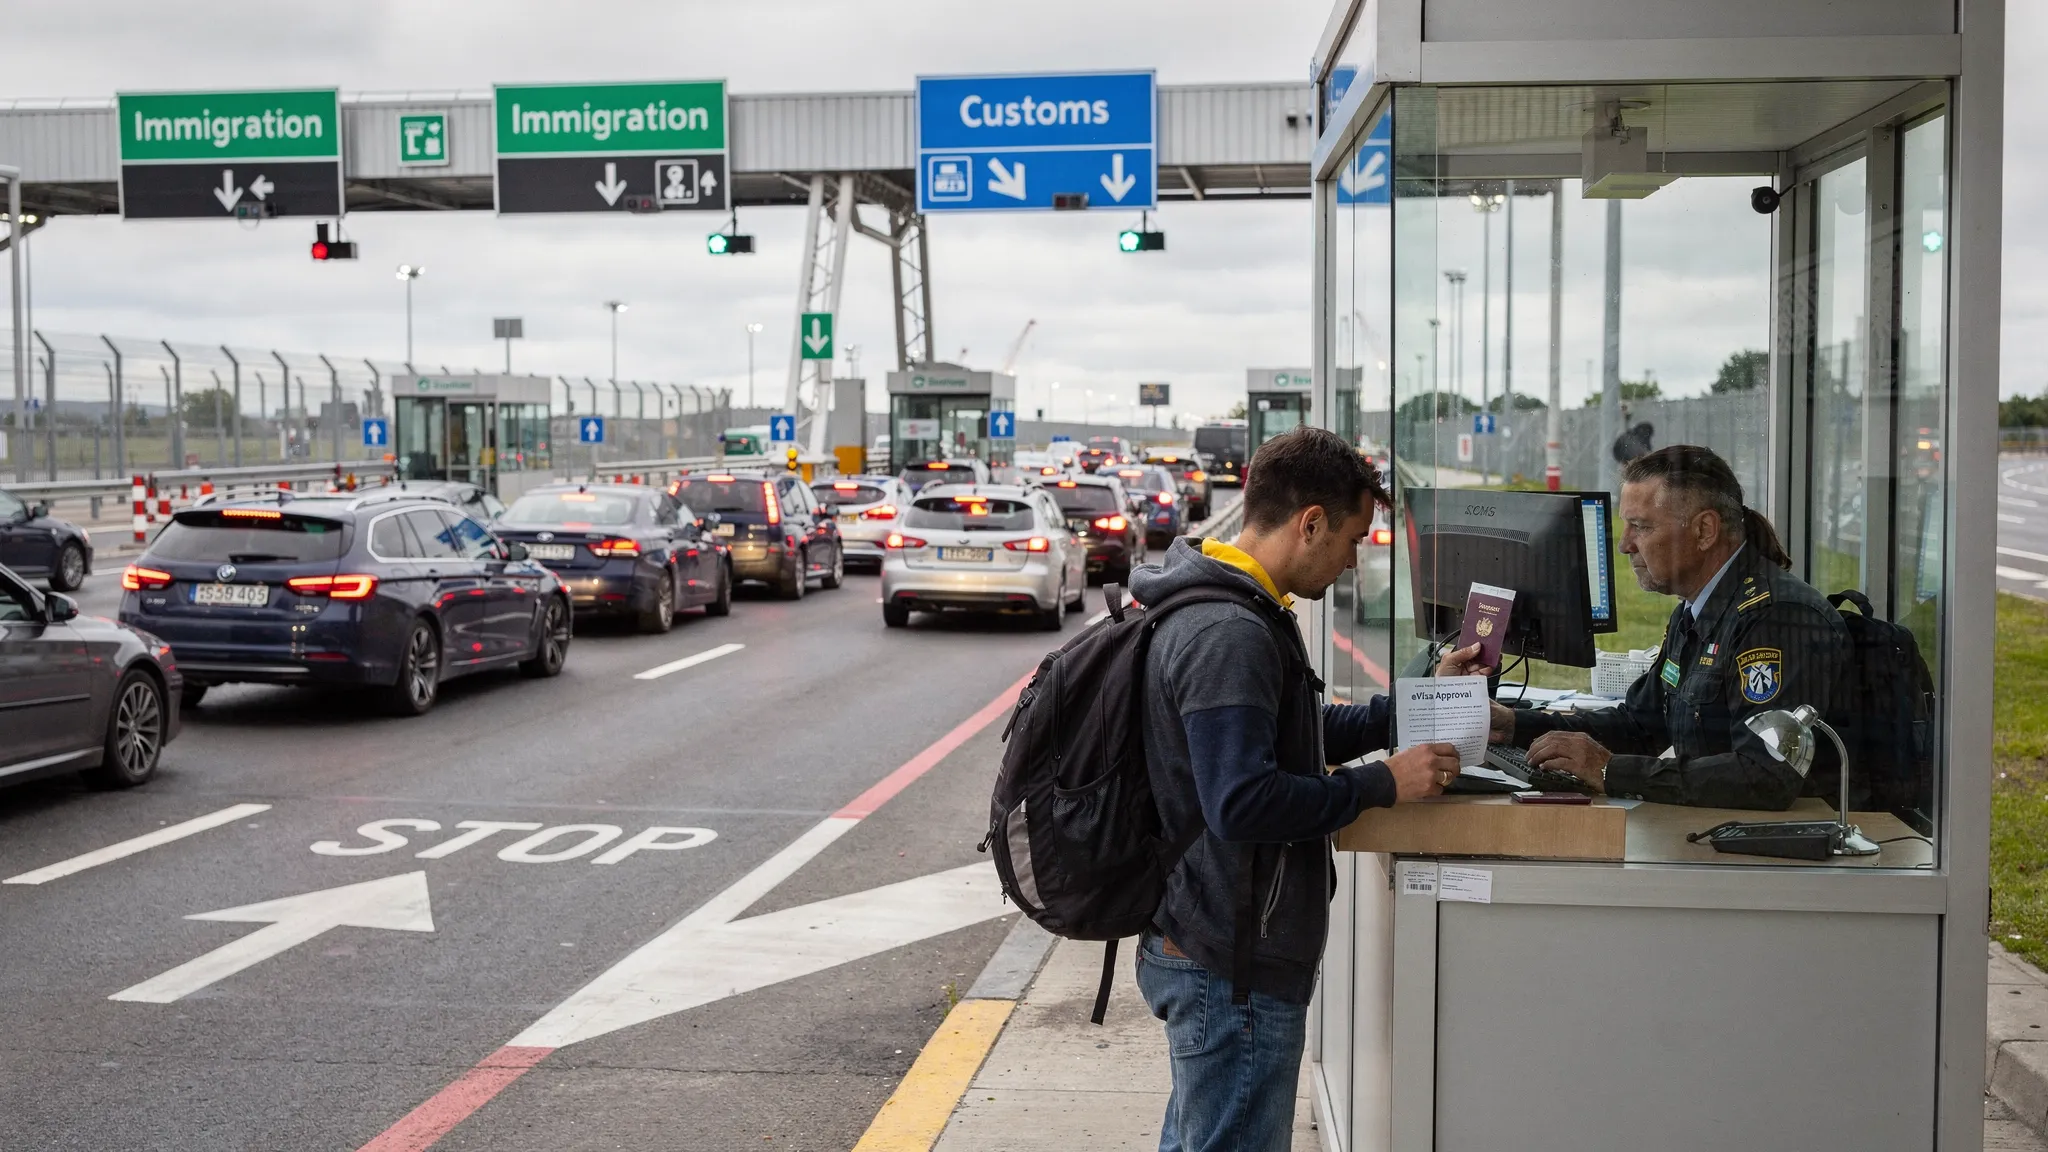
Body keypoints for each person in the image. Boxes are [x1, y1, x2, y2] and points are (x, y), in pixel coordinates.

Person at [1126, 426, 1473, 1152]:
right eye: (1351, 540)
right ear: (1310, 522)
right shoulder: (1229, 631)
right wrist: (1382, 783)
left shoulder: (1227, 601)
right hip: (1232, 961)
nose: (1351, 564)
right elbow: (1242, 802)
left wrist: (1406, 710)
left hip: (1212, 942)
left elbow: (1290, 731)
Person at [1489, 444, 1849, 809]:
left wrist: (1610, 771)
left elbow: (1765, 775)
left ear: (1705, 530)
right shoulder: (1695, 610)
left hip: (1776, 853)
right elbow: (1640, 724)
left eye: (1641, 527)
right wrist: (1516, 725)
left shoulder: (1778, 619)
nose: (1625, 545)